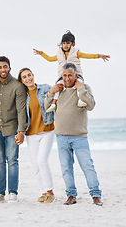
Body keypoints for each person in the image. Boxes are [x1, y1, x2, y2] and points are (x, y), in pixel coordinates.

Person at [44, 63, 103, 206]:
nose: (67, 78)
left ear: (76, 76)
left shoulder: (83, 88)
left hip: (79, 136)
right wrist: (51, 92)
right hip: (61, 137)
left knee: (87, 166)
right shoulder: (59, 92)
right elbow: (47, 107)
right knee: (66, 168)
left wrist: (81, 88)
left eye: (70, 75)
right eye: (64, 75)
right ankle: (71, 195)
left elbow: (91, 105)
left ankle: (96, 195)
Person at [33, 30, 110, 112]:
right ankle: (53, 103)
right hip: (62, 75)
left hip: (76, 75)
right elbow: (50, 59)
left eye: (68, 43)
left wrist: (99, 56)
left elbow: (87, 55)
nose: (65, 45)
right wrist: (41, 53)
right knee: (58, 86)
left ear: (73, 44)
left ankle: (80, 99)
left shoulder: (76, 53)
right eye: (64, 43)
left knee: (78, 84)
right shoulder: (59, 54)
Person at [0, 56, 27, 203]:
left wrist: (21, 131)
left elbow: (21, 111)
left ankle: (12, 193)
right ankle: (0, 193)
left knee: (12, 161)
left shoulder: (18, 86)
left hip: (12, 129)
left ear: (10, 68)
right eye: (0, 67)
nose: (3, 70)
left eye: (5, 67)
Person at [18, 67, 56, 203]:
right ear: (22, 81)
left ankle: (50, 191)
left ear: (33, 75)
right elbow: (21, 115)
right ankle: (43, 192)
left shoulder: (45, 88)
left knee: (42, 161)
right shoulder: (23, 96)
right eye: (25, 77)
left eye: (29, 75)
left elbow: (57, 93)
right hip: (31, 133)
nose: (28, 78)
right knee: (35, 164)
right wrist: (20, 131)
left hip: (47, 130)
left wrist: (55, 102)